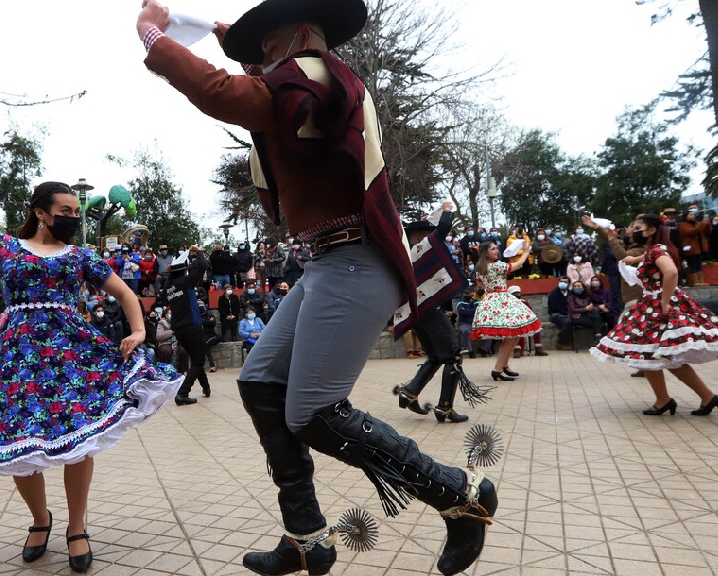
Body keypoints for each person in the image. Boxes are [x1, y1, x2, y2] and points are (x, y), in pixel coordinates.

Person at [138, 1, 497, 574]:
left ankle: (458, 492)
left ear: (303, 35)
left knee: (314, 411)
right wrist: (216, 31)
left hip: (355, 260)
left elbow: (228, 92)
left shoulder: (314, 73)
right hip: (332, 261)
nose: (262, 61)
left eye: (268, 45)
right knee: (260, 383)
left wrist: (156, 37)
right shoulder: (308, 79)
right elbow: (258, 82)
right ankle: (306, 536)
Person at [0, 165, 181, 573]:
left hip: (71, 357)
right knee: (20, 444)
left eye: (77, 212)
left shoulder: (80, 256)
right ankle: (41, 520)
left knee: (79, 440)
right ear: (41, 212)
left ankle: (77, 527)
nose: (73, 217)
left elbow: (127, 293)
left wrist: (137, 330)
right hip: (19, 360)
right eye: (66, 210)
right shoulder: (4, 247)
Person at [591, 214, 718, 415]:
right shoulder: (651, 252)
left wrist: (665, 301)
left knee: (658, 355)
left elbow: (672, 273)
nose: (633, 230)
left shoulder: (658, 250)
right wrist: (607, 234)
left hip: (658, 305)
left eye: (637, 227)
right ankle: (695, 398)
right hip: (651, 304)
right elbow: (626, 258)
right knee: (653, 355)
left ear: (651, 231)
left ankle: (681, 399)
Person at [392, 205, 486, 423]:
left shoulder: (406, 254)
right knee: (453, 355)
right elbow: (444, 227)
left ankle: (410, 392)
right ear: (417, 236)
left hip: (418, 311)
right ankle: (445, 407)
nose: (431, 236)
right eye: (426, 232)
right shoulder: (420, 248)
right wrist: (447, 209)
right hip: (426, 311)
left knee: (437, 356)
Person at [471, 241, 541, 382]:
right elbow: (519, 264)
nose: (497, 250)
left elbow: (481, 285)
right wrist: (526, 252)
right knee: (511, 335)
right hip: (502, 299)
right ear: (486, 253)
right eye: (493, 249)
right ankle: (497, 369)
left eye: (496, 248)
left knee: (514, 334)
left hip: (491, 299)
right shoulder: (497, 266)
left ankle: (504, 365)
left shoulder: (479, 269)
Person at [162, 251, 211, 403]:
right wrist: (199, 252)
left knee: (197, 357)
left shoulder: (168, 287)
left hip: (179, 329)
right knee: (198, 361)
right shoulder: (186, 281)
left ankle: (206, 387)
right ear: (183, 270)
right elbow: (203, 265)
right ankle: (182, 393)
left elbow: (164, 295)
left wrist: (170, 273)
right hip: (192, 325)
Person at [677, 209, 711, 286]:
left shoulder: (697, 224)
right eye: (691, 215)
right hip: (691, 248)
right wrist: (701, 224)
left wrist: (707, 224)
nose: (693, 216)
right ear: (686, 216)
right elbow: (691, 231)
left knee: (699, 264)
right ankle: (694, 281)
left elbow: (707, 232)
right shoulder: (682, 225)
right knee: (693, 264)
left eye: (694, 215)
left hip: (700, 247)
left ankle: (701, 281)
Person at [547, 279, 573, 350]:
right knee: (568, 322)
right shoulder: (554, 294)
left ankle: (561, 333)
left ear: (569, 284)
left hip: (569, 314)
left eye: (565, 282)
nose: (563, 283)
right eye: (561, 281)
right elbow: (555, 308)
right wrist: (567, 314)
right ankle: (561, 343)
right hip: (555, 314)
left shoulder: (571, 293)